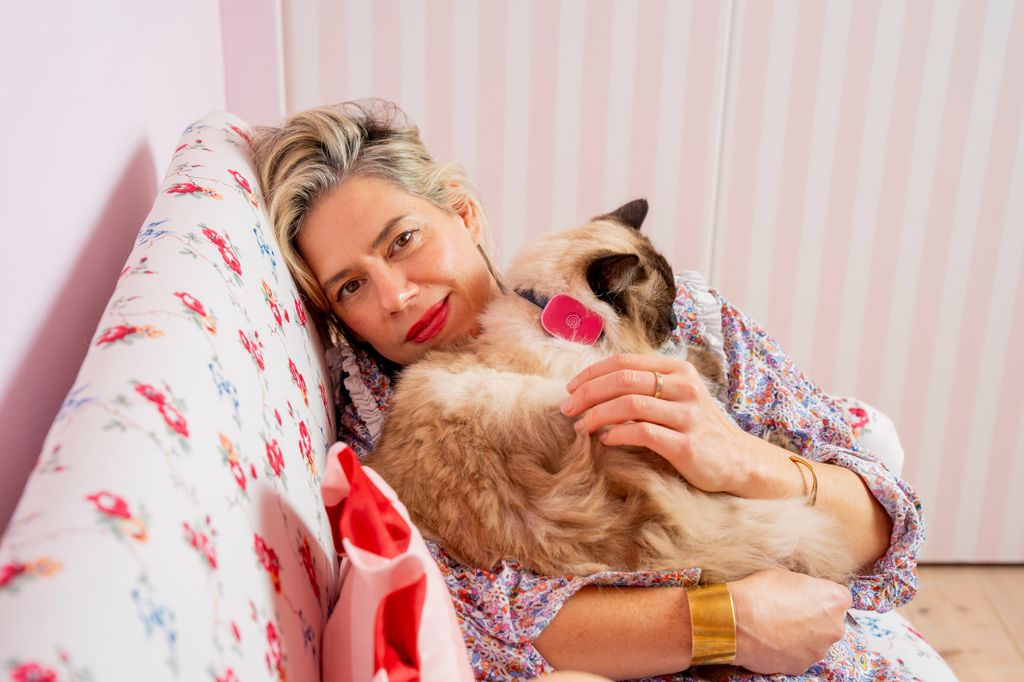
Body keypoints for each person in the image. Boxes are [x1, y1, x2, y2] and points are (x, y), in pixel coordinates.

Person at [252, 100, 928, 680]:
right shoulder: (377, 423)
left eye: (403, 240)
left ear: (464, 212)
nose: (395, 296)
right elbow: (476, 621)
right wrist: (726, 621)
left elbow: (884, 533)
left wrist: (748, 460)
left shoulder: (674, 308)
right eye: (351, 286)